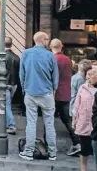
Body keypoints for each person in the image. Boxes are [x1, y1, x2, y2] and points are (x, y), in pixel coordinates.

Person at [19, 32, 58, 161]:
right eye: (47, 39)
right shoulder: (50, 55)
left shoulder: (26, 53)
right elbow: (55, 77)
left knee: (31, 123)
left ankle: (29, 152)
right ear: (43, 40)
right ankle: (52, 153)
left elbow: (22, 75)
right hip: (47, 93)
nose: (48, 41)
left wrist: (24, 89)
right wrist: (53, 90)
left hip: (30, 92)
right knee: (49, 124)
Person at [50, 38, 81, 156]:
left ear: (51, 46)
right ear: (61, 46)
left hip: (55, 93)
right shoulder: (68, 59)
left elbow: (52, 77)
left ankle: (49, 146)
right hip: (66, 92)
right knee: (67, 120)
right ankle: (77, 143)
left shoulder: (53, 59)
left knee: (49, 120)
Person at [72, 65, 97, 171]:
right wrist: (74, 119)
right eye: (87, 74)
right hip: (84, 121)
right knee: (84, 147)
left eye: (91, 74)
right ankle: (83, 169)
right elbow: (77, 104)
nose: (88, 77)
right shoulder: (83, 87)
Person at [2, 37, 20, 135]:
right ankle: (6, 123)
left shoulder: (1, 56)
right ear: (11, 44)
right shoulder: (17, 57)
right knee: (7, 105)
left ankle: (11, 126)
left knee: (6, 106)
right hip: (14, 84)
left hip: (4, 84)